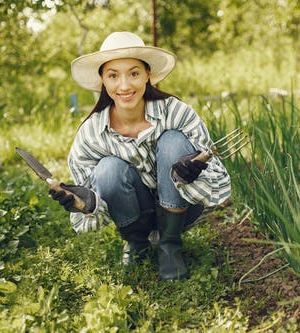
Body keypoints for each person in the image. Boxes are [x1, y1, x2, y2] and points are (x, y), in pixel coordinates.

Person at [49, 31, 231, 281]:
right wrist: (83, 203)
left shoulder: (176, 112)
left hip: (182, 208)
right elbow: (90, 192)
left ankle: (170, 245)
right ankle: (136, 243)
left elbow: (216, 172)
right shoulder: (91, 133)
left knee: (173, 141)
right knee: (108, 169)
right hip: (132, 212)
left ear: (148, 75)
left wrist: (195, 169)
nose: (124, 86)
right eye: (113, 75)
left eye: (134, 73)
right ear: (102, 79)